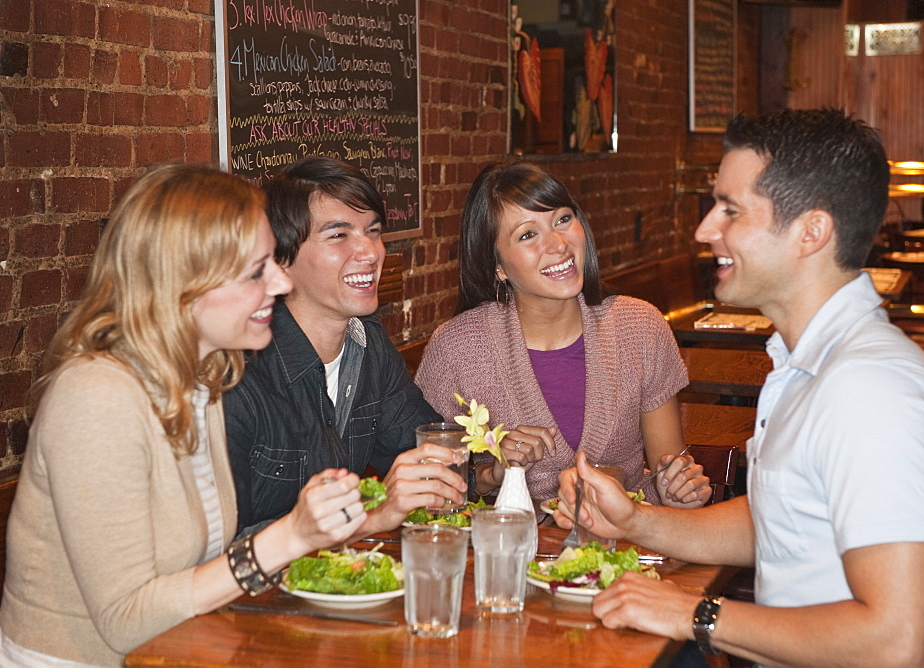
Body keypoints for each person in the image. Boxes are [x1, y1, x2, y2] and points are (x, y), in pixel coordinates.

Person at [554, 108, 924, 667]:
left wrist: (692, 613)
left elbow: (898, 642)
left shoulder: (871, 391)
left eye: (730, 210)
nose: (705, 230)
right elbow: (781, 520)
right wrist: (636, 521)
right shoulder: (808, 363)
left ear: (812, 232)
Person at [0, 165, 367, 666]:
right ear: (183, 285)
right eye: (257, 270)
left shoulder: (204, 375)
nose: (281, 282)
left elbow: (197, 574)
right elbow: (125, 619)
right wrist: (289, 537)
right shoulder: (97, 396)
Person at [415, 160, 710, 508]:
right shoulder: (456, 347)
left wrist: (679, 489)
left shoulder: (639, 327)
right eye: (527, 235)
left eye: (563, 220)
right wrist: (495, 472)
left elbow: (668, 473)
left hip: (624, 545)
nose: (558, 244)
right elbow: (431, 487)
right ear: (497, 266)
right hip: (510, 549)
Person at [224, 156, 464, 537]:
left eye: (373, 231)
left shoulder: (367, 344)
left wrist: (490, 471)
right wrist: (371, 517)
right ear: (280, 260)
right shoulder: (238, 372)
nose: (370, 252)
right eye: (339, 235)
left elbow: (427, 450)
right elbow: (220, 547)